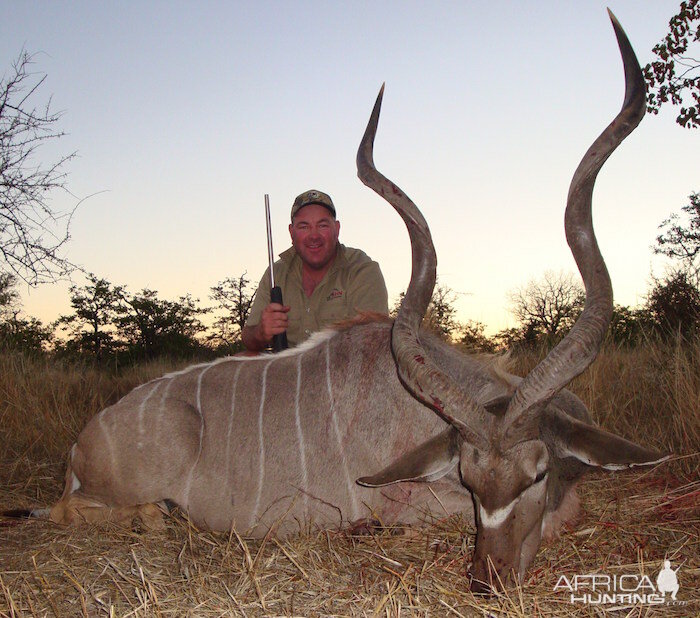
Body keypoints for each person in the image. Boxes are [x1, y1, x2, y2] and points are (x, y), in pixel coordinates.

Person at [242, 189, 388, 351]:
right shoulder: (276, 273)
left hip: (341, 369)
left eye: (322, 225)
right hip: (287, 369)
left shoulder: (362, 270)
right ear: (291, 232)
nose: (314, 236)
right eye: (304, 227)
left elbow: (372, 344)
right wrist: (261, 332)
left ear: (337, 229)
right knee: (241, 359)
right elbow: (249, 339)